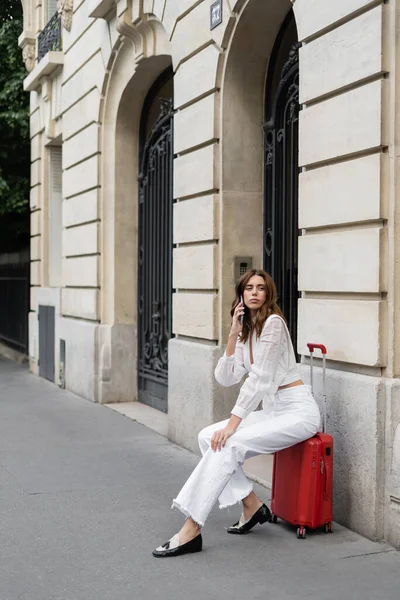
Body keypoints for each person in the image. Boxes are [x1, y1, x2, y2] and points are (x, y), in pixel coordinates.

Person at [152, 269, 321, 558]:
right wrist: (233, 333)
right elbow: (226, 377)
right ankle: (251, 504)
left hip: (297, 411)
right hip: (273, 409)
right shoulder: (247, 331)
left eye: (261, 288)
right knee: (207, 436)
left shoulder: (274, 324)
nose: (255, 292)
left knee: (227, 442)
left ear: (268, 294)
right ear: (241, 295)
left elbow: (260, 381)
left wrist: (233, 424)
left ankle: (192, 526)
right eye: (249, 288)